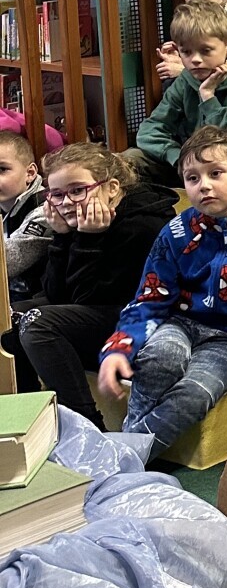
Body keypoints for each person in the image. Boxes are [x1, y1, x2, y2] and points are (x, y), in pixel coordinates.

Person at [96, 126, 227, 455]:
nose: (203, 185)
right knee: (163, 356)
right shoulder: (175, 231)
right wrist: (118, 349)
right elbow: (149, 298)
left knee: (196, 393)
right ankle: (130, 447)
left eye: (215, 173)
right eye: (192, 178)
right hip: (179, 323)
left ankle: (124, 455)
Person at [1, 144, 176, 417]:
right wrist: (62, 238)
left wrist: (87, 240)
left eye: (77, 190)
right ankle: (30, 414)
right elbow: (57, 295)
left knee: (38, 324)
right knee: (8, 316)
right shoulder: (81, 218)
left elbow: (88, 298)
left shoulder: (142, 225)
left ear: (112, 187)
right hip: (97, 309)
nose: (66, 202)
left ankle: (88, 423)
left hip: (138, 321)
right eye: (57, 194)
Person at [127, 2, 227, 186]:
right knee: (129, 160)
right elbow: (149, 131)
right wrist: (179, 158)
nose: (195, 59)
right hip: (189, 161)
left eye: (205, 50)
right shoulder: (185, 80)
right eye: (186, 52)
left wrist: (208, 96)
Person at [0, 129, 51, 306]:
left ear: (30, 173)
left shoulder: (46, 209)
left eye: (2, 169)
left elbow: (7, 263)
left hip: (40, 302)